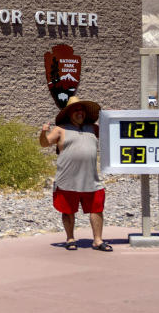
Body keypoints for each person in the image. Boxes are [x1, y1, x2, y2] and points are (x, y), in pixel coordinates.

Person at [38, 96, 109, 251]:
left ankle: (98, 240)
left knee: (97, 209)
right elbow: (44, 143)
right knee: (68, 210)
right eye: (76, 110)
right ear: (69, 113)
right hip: (67, 179)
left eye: (81, 109)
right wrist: (43, 132)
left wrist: (115, 115)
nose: (79, 112)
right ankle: (70, 238)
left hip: (91, 178)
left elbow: (111, 131)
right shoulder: (60, 129)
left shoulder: (93, 128)